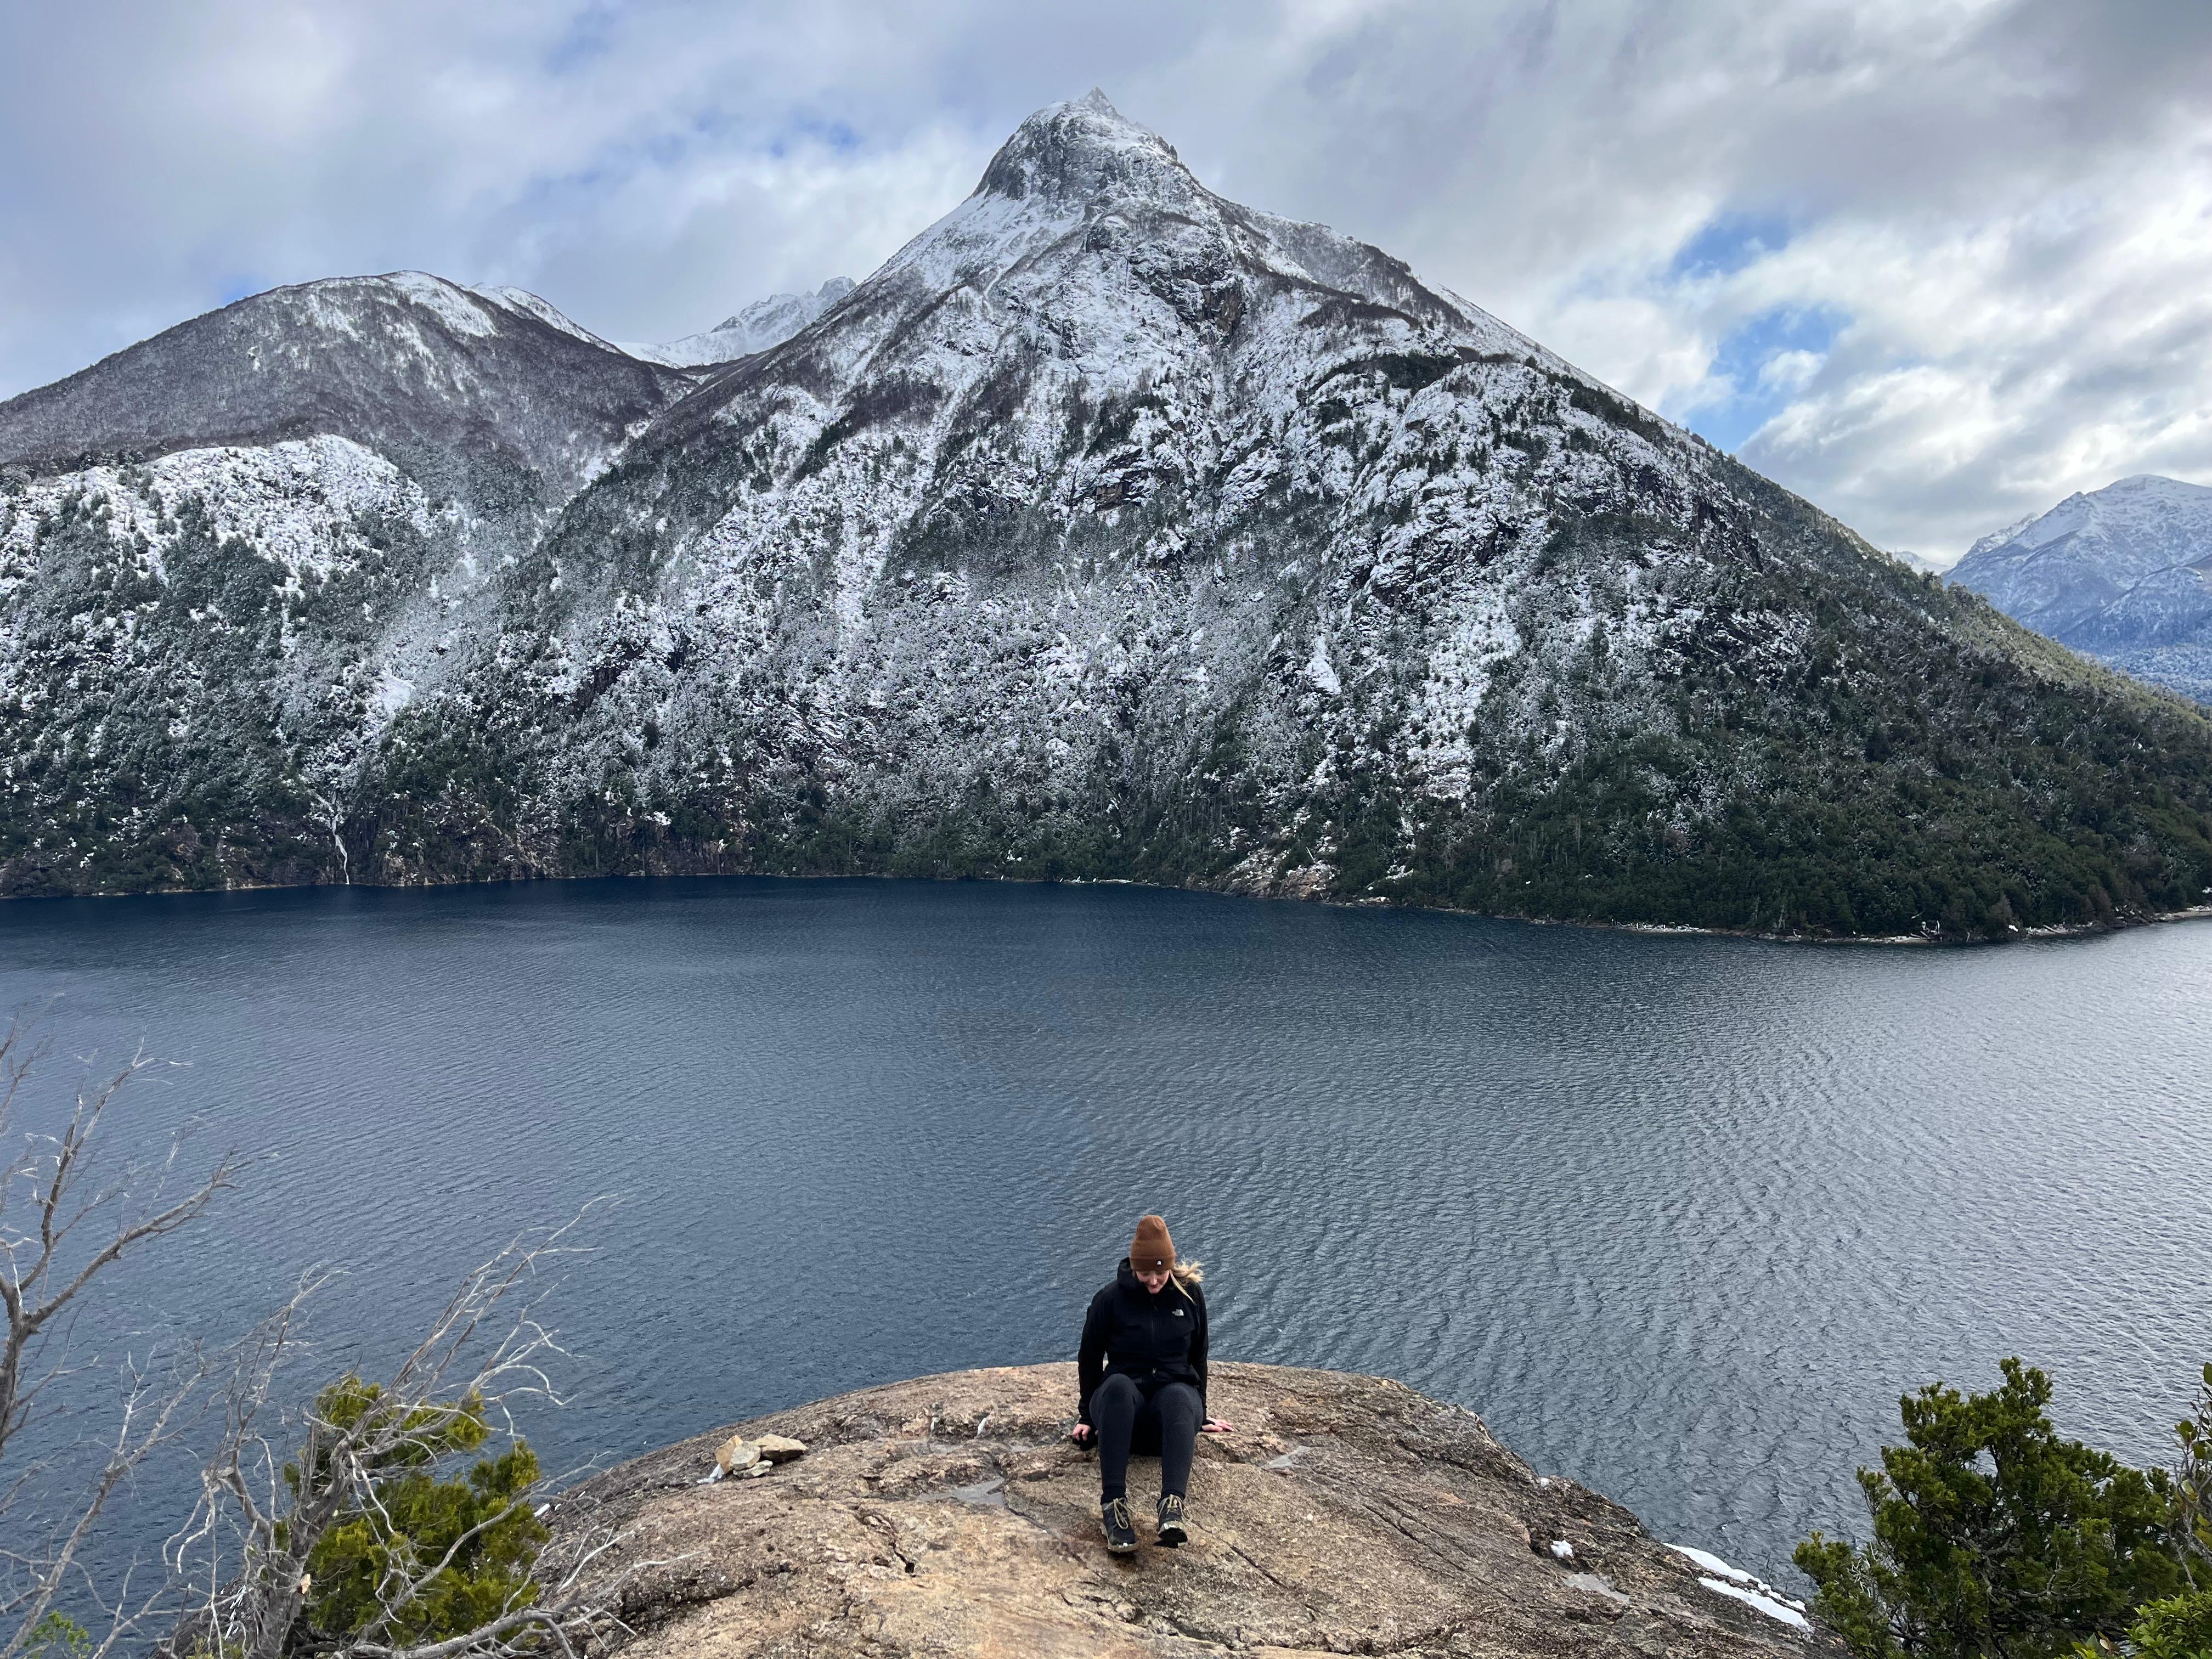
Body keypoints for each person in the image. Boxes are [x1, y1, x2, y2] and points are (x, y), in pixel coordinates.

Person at [1071, 1214, 1231, 1553]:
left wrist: (1199, 1414)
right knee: (1115, 1385)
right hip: (1122, 1415)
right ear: (1134, 1266)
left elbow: (1198, 1356)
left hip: (1167, 1419)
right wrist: (1087, 1415)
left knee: (1178, 1395)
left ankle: (1172, 1507)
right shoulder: (1110, 1300)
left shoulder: (1190, 1296)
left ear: (1171, 1267)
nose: (1155, 1280)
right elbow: (1088, 1357)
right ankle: (1114, 1509)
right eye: (1147, 1273)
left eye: (1161, 1272)